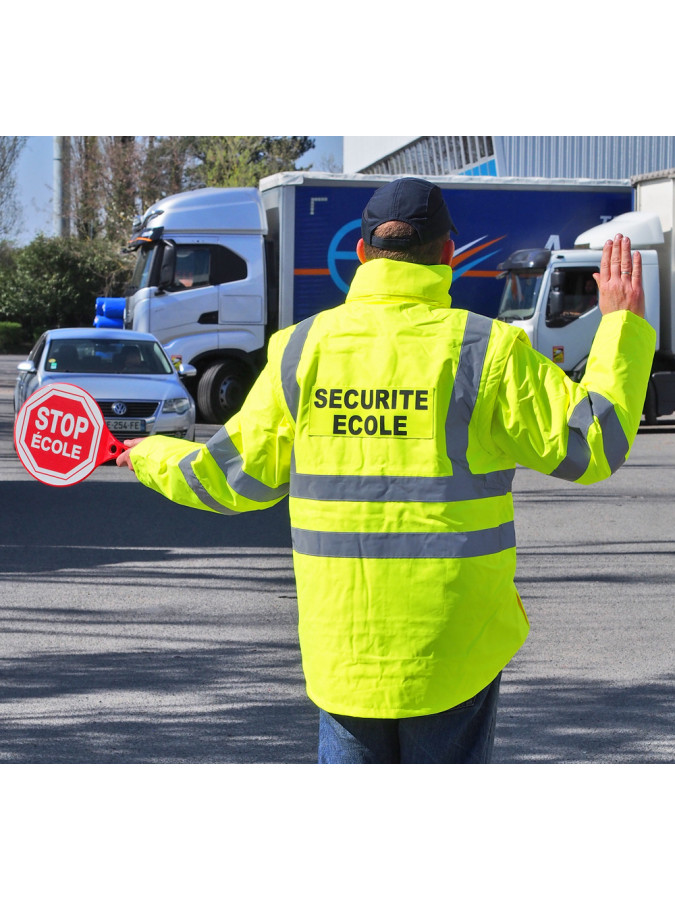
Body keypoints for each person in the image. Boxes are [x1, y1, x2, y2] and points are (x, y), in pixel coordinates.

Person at [117, 177, 656, 764]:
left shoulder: (302, 350)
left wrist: (143, 453)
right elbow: (595, 443)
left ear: (361, 252)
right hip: (454, 649)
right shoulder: (486, 352)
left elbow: (225, 479)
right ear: (448, 255)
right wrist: (621, 327)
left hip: (343, 651)